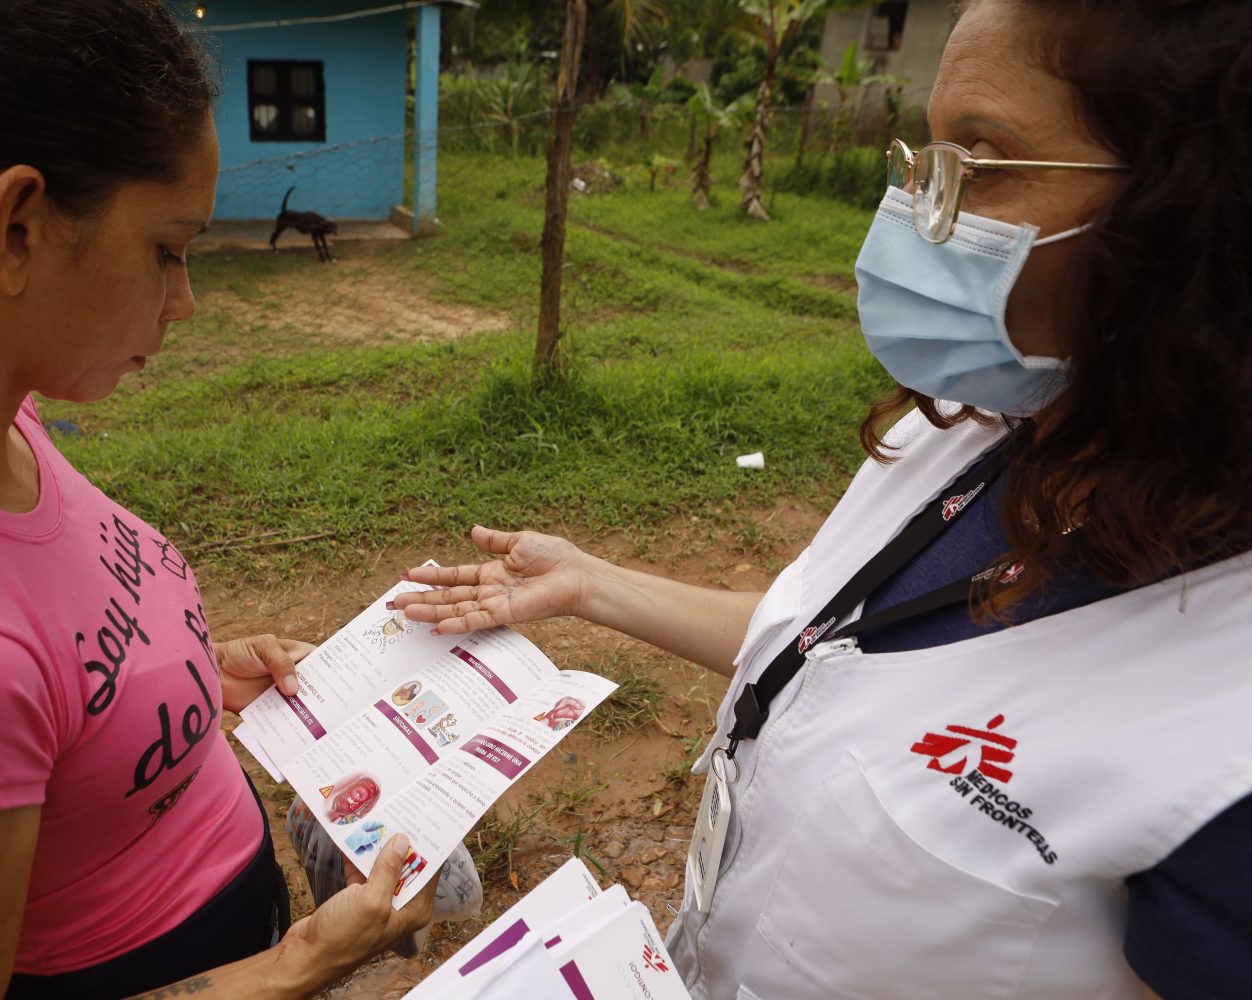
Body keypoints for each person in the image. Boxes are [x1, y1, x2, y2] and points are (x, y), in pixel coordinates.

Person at [394, 1, 1252, 997]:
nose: (919, 210)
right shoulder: (972, 429)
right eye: (924, 160)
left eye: (981, 159)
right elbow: (827, 645)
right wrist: (595, 584)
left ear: (1196, 209)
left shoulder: (1226, 728)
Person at [0, 0, 435, 996]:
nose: (185, 299)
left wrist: (176, 677)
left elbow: (40, 633)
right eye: (167, 247)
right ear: (16, 226)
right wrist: (306, 962)